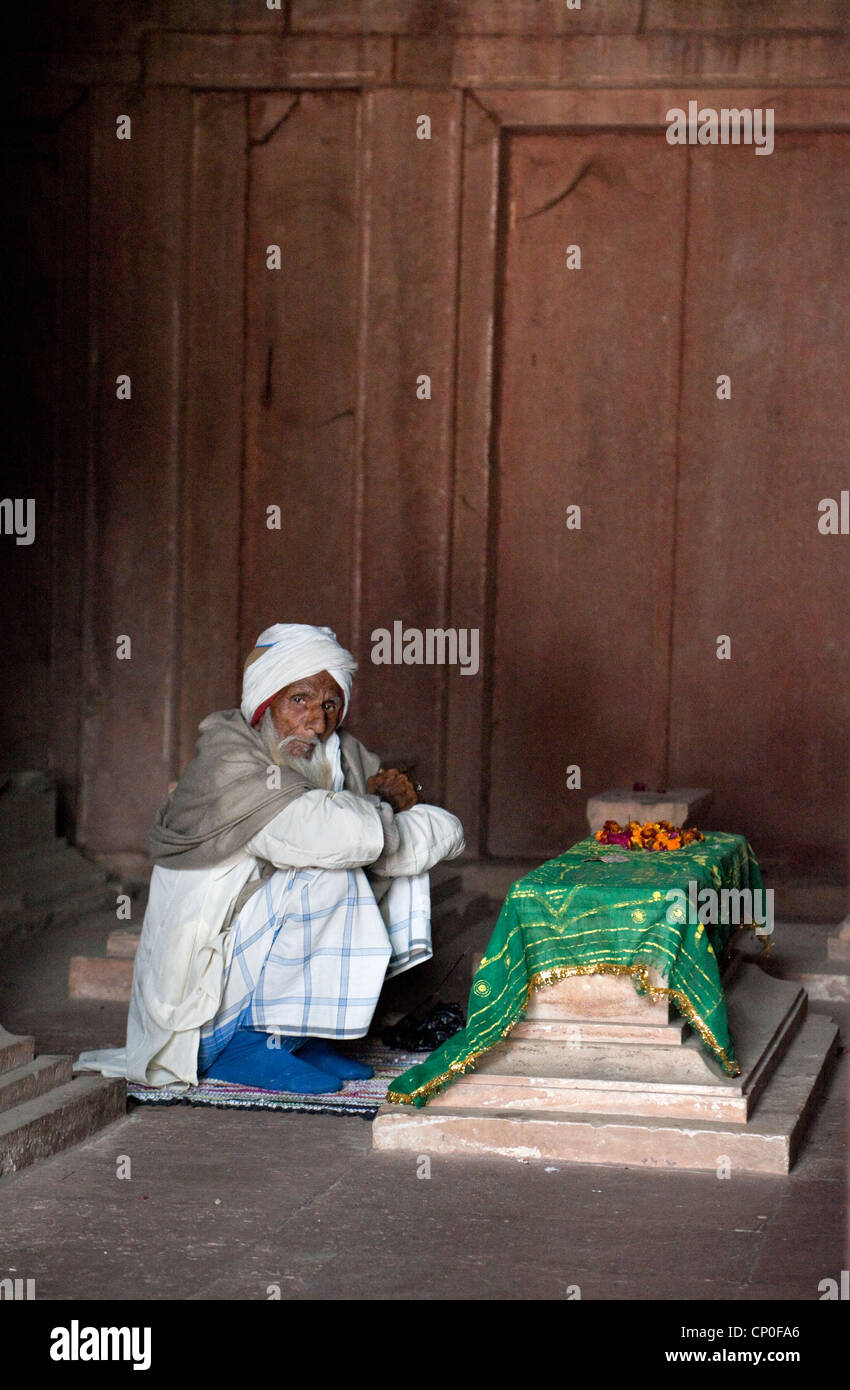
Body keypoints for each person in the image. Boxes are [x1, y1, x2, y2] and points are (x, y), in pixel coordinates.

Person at [76, 623, 464, 1094]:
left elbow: (444, 831)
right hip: (199, 1000)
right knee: (328, 871)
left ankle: (303, 1036)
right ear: (265, 700)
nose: (316, 723)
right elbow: (326, 835)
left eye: (329, 704)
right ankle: (243, 1045)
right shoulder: (229, 758)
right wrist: (388, 811)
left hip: (255, 946)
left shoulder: (341, 755)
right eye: (299, 700)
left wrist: (400, 804)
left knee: (396, 869)